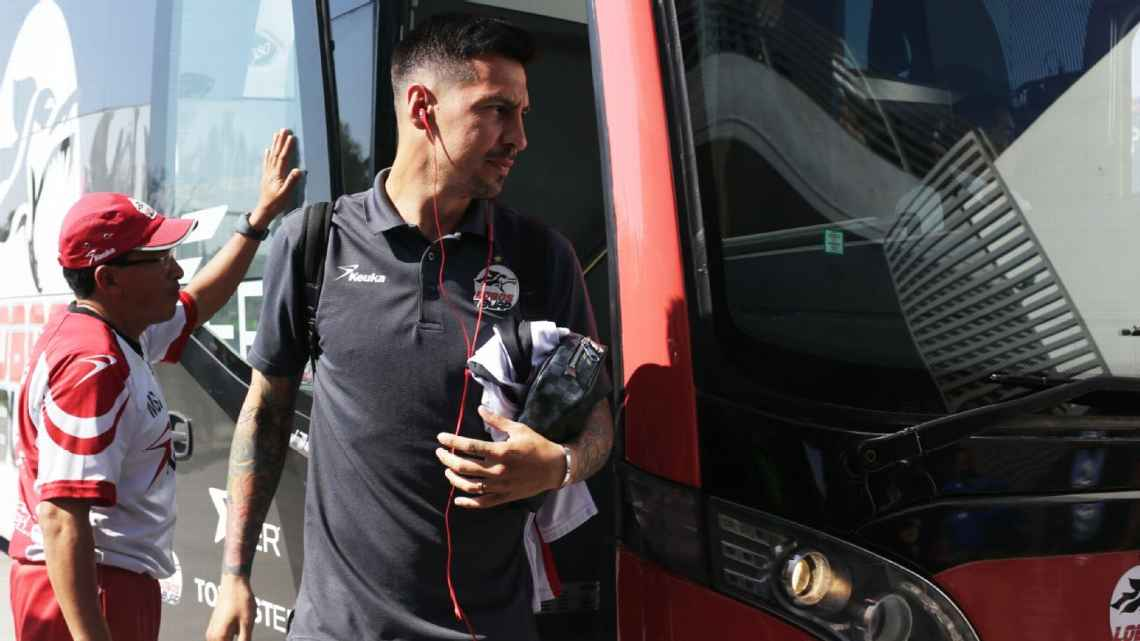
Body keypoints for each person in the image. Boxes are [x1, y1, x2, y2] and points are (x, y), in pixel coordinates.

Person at [206, 13, 613, 641]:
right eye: (498, 111)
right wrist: (235, 573)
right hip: (339, 630)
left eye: (523, 114)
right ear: (423, 107)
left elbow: (597, 421)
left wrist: (557, 466)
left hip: (489, 627)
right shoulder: (315, 242)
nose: (520, 138)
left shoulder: (541, 257)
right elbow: (266, 412)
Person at [8, 130, 303, 641]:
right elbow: (60, 517)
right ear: (109, 279)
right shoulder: (92, 364)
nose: (178, 269)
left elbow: (199, 300)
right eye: (160, 259)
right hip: (90, 591)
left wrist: (257, 221)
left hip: (102, 583)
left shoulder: (117, 329)